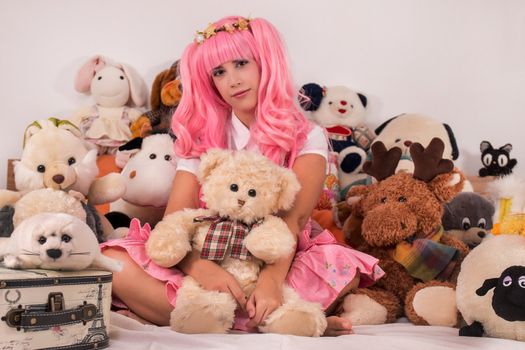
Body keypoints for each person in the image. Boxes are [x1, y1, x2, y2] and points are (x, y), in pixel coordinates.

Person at [102, 16, 384, 336]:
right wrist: (200, 267)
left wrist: (271, 282)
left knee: (337, 268)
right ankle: (275, 319)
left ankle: (241, 312)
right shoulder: (198, 137)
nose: (233, 80)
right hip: (207, 250)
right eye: (219, 72)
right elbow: (176, 219)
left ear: (265, 63)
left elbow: (292, 222)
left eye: (241, 63)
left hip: (278, 256)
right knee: (114, 263)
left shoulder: (307, 135)